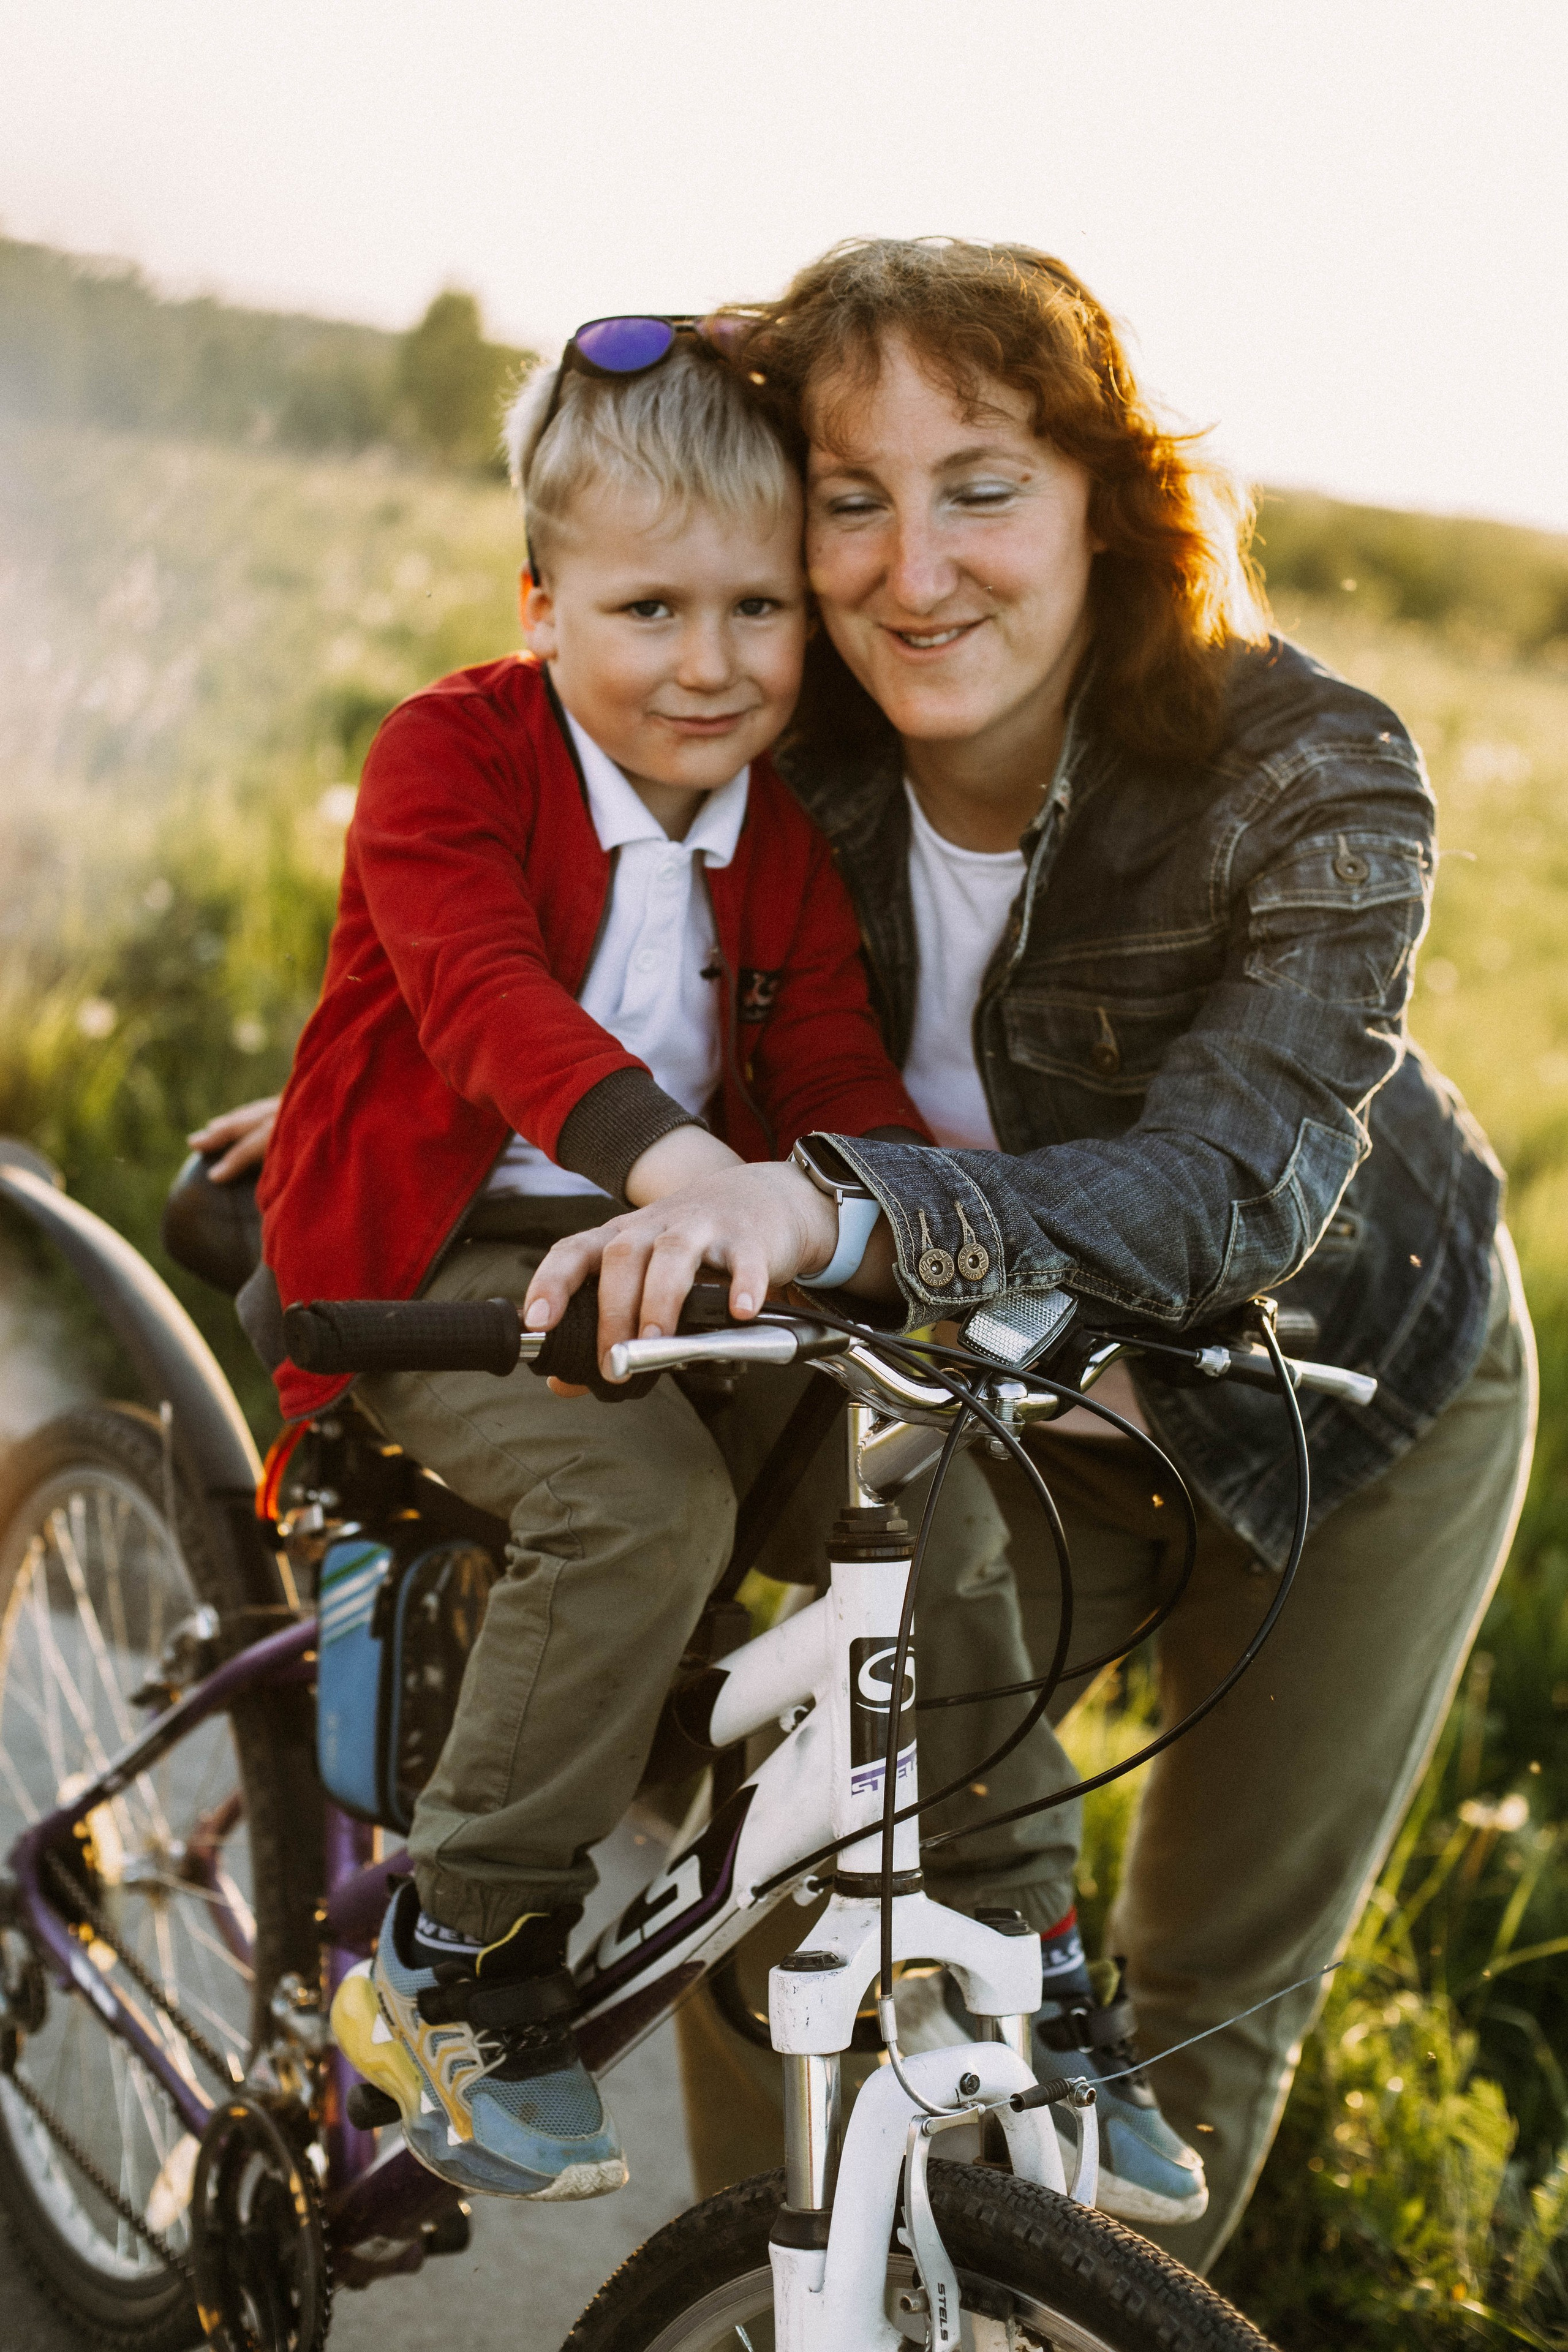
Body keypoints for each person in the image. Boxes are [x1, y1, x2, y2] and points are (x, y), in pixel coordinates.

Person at [520, 239, 1536, 2271]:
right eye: (847, 495)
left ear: (1106, 502)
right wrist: (443, 1110)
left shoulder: (1309, 772)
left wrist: (849, 1208)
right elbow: (561, 929)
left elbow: (1225, 1199)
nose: (915, 572)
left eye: (979, 484)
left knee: (1158, 2056)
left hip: (1337, 1406)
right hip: (983, 1408)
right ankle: (769, 2298)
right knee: (797, 1884)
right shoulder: (765, 740)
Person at [245, 330, 941, 2205]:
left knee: (939, 1443)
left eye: (757, 609)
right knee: (641, 1510)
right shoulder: (448, 752)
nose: (710, 663)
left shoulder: (771, 830)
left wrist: (948, 1238)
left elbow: (839, 1079)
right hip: (426, 1252)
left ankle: (996, 1919)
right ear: (541, 604)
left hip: (666, 1243)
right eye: (649, 608)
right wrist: (689, 1162)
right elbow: (482, 1000)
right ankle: (454, 1952)